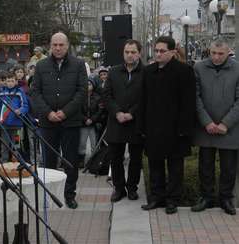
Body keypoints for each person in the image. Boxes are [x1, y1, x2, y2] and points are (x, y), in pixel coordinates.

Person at [140, 36, 196, 214]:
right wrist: (142, 127)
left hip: (175, 130)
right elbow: (143, 101)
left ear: (172, 52)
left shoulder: (184, 71)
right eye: (156, 50)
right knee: (155, 165)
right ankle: (157, 198)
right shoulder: (148, 71)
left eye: (162, 51)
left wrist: (184, 129)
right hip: (153, 128)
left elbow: (188, 103)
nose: (158, 54)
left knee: (175, 167)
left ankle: (172, 200)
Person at [32, 32, 87, 209]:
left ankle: (69, 194)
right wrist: (48, 113)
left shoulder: (78, 65)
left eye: (61, 45)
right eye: (54, 44)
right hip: (48, 123)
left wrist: (64, 112)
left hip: (70, 122)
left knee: (70, 160)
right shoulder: (41, 66)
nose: (57, 48)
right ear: (50, 45)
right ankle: (49, 195)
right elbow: (35, 92)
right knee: (48, 160)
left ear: (67, 45)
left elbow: (82, 92)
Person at [191, 39, 239, 215]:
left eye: (221, 54)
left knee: (229, 167)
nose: (216, 57)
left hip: (230, 129)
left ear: (228, 52)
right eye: (213, 53)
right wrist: (207, 122)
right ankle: (206, 198)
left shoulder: (237, 69)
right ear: (209, 52)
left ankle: (226, 199)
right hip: (206, 127)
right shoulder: (199, 68)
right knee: (205, 165)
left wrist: (226, 123)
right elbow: (195, 98)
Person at [103, 39, 144, 202]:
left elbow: (146, 97)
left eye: (133, 52)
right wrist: (117, 112)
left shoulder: (146, 72)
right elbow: (106, 96)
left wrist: (132, 113)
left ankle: (132, 188)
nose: (129, 55)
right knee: (116, 158)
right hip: (116, 122)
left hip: (136, 122)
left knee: (136, 159)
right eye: (127, 52)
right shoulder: (113, 71)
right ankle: (119, 189)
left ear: (139, 53)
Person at [0, 71, 29, 162]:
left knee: (16, 146)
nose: (10, 83)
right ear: (5, 82)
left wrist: (20, 111)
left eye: (12, 81)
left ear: (16, 81)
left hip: (17, 125)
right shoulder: (0, 92)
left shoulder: (20, 92)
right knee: (4, 146)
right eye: (8, 81)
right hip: (4, 125)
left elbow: (25, 106)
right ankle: (4, 163)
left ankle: (16, 164)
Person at [78, 78, 103, 168]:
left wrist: (92, 119)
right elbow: (78, 110)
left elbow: (100, 110)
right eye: (86, 83)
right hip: (83, 124)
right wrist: (85, 119)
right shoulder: (80, 97)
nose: (88, 85)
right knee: (82, 143)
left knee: (94, 144)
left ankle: (94, 162)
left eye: (90, 84)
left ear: (93, 85)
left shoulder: (98, 97)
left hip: (94, 124)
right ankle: (81, 161)